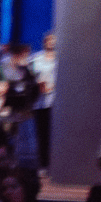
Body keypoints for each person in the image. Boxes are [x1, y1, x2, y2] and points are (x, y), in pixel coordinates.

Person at [29, 32, 56, 168]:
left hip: (55, 102)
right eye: (49, 40)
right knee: (41, 133)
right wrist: (37, 82)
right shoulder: (36, 58)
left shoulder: (61, 59)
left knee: (54, 133)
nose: (51, 42)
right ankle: (43, 164)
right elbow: (29, 75)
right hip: (39, 102)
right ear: (45, 41)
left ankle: (54, 163)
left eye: (54, 40)